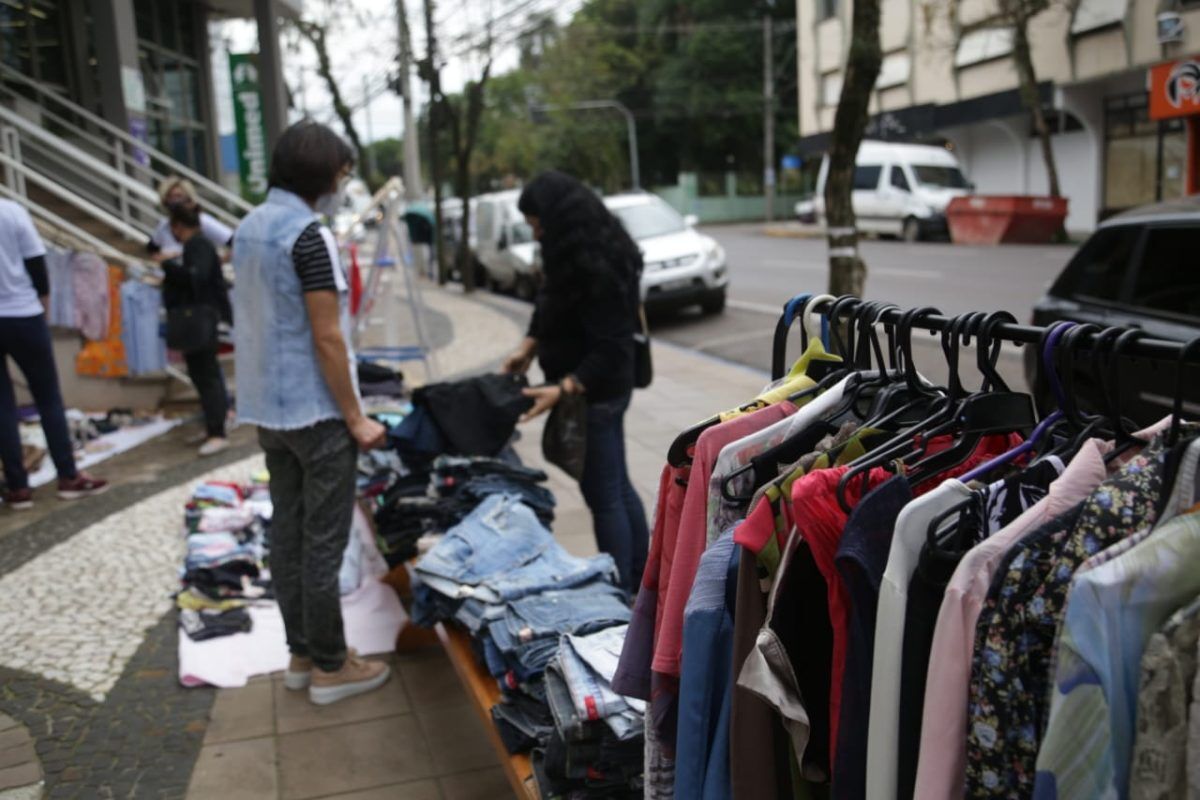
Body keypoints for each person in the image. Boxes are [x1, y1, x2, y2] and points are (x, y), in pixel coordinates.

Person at [232, 120, 389, 706]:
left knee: (289, 534)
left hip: (268, 412)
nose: (344, 185)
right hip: (317, 412)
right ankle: (330, 665)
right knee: (322, 541)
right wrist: (355, 417)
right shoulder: (306, 235)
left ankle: (301, 653)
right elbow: (328, 338)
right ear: (322, 174)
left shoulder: (248, 229)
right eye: (343, 175)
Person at [502, 170, 651, 592]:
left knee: (604, 497)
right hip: (595, 391)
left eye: (537, 223)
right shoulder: (570, 253)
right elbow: (550, 302)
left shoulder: (599, 268)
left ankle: (620, 591)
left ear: (559, 218)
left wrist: (563, 388)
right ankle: (640, 579)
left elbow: (613, 348)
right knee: (617, 486)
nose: (535, 232)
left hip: (598, 394)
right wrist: (528, 346)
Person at [0, 199, 108, 509]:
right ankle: (68, 475)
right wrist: (43, 306)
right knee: (47, 396)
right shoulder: (12, 211)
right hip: (23, 313)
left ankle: (18, 487)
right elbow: (36, 262)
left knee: (2, 404)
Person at [162, 205, 232, 457]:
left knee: (206, 374)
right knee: (203, 374)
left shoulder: (197, 246)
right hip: (201, 318)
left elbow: (197, 278)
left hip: (200, 320)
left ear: (178, 226)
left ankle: (217, 431)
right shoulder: (199, 246)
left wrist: (169, 267)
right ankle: (213, 426)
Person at [147, 177, 234, 262]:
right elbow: (152, 250)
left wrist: (216, 263)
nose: (175, 201)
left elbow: (234, 242)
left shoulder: (203, 221)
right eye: (170, 197)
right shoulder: (164, 225)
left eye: (178, 196)